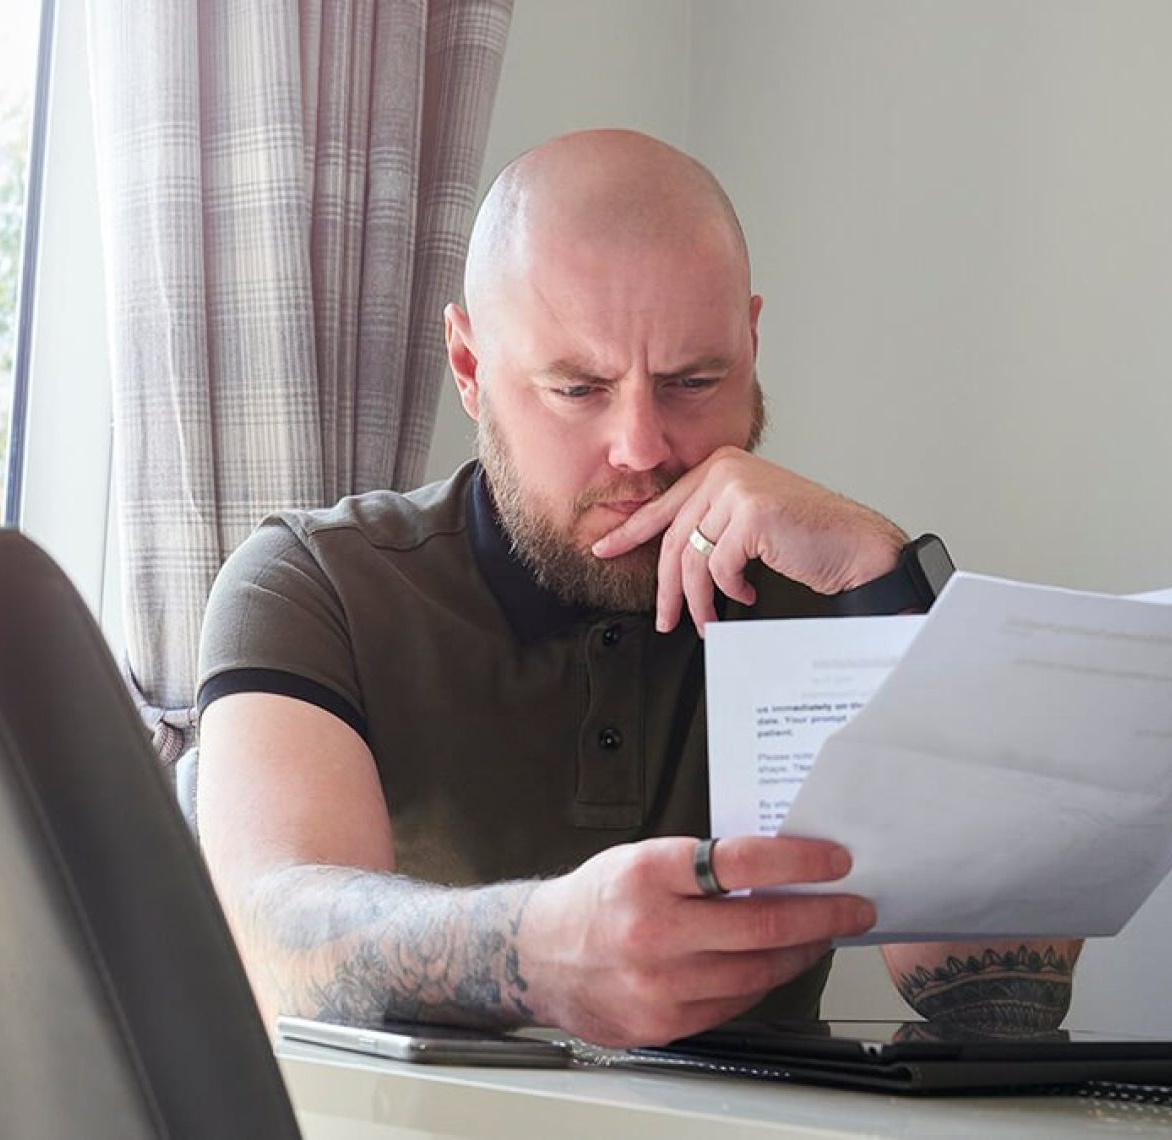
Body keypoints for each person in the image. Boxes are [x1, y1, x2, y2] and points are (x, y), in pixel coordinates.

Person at [194, 129, 1080, 1048]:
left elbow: (1005, 997)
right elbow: (273, 938)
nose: (644, 447)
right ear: (470, 368)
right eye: (578, 389)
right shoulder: (318, 583)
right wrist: (542, 953)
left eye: (694, 381)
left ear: (751, 342)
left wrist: (884, 580)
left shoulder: (833, 590)